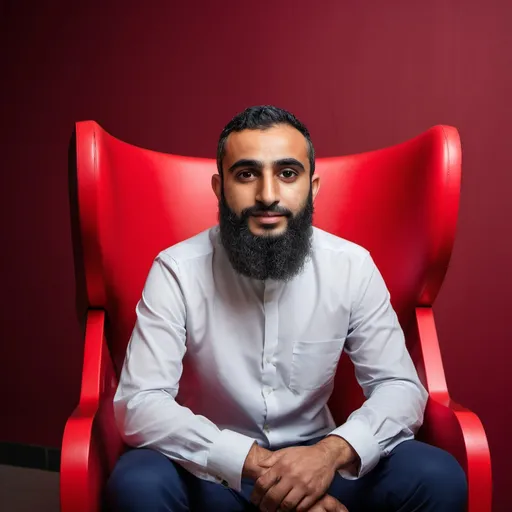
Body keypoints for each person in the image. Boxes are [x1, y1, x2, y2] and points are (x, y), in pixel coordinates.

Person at [106, 106, 467, 512]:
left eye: (287, 173)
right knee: (136, 484)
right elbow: (141, 403)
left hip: (321, 465)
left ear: (312, 187)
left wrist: (328, 455)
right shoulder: (176, 269)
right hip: (213, 471)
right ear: (218, 187)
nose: (267, 195)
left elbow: (399, 387)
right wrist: (261, 468)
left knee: (438, 476)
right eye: (246, 174)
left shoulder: (351, 266)